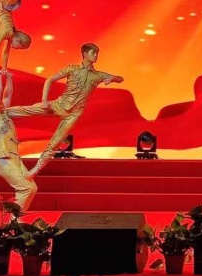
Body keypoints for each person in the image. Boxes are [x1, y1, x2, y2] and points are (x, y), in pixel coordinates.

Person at [11, 43, 124, 177]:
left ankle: (33, 171)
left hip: (73, 114)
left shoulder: (98, 75)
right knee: (29, 110)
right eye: (93, 53)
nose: (95, 56)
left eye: (97, 53)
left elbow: (120, 79)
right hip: (59, 105)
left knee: (55, 143)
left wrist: (112, 78)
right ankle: (2, 113)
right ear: (85, 54)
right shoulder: (72, 69)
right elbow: (50, 80)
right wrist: (44, 100)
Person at [0, 70, 37, 211]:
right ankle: (14, 218)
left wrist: (9, 78)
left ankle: (16, 218)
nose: (0, 102)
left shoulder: (3, 112)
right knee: (26, 188)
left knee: (32, 188)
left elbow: (6, 95)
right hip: (3, 160)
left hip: (15, 159)